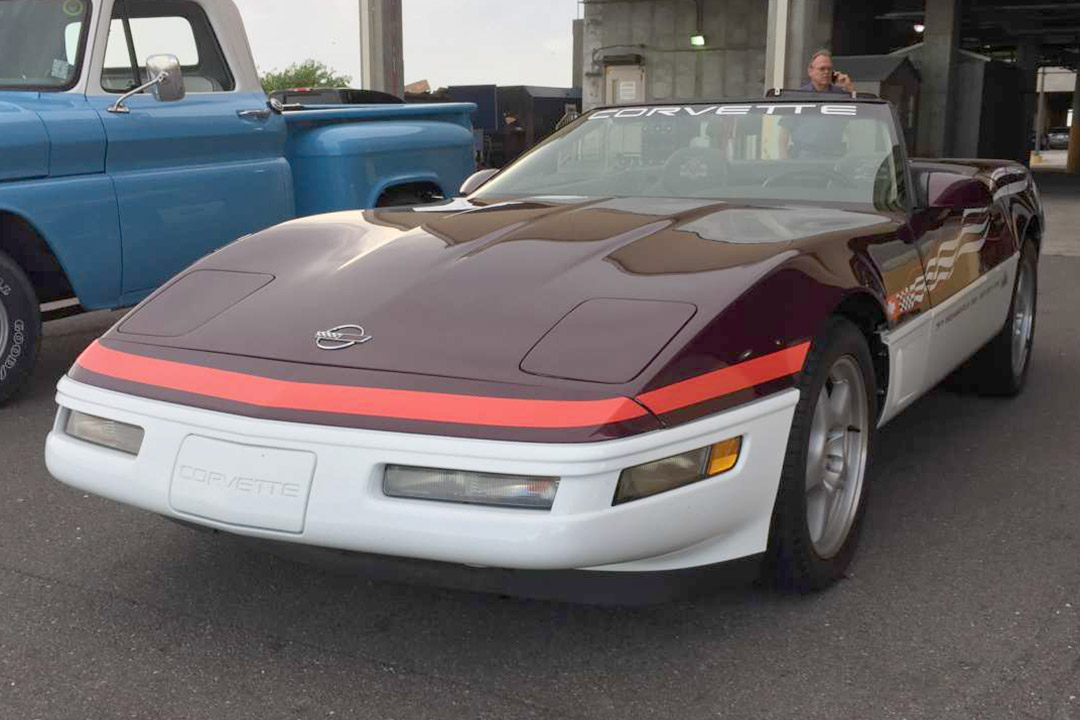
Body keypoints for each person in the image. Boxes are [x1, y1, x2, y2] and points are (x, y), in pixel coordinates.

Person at [778, 50, 857, 158]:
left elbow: (855, 119)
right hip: (803, 156)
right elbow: (785, 130)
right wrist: (783, 158)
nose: (826, 72)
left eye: (829, 69)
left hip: (833, 156)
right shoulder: (799, 97)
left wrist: (849, 88)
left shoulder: (840, 96)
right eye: (822, 69)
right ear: (810, 71)